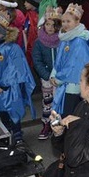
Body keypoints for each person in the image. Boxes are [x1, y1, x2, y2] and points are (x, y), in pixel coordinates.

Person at [0, 5, 36, 145]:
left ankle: (17, 136)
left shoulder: (12, 48)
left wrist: (3, 87)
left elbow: (16, 70)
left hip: (9, 89)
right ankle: (2, 137)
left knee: (11, 113)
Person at [51, 3, 89, 116]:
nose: (65, 24)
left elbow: (74, 65)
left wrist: (59, 78)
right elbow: (59, 59)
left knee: (69, 115)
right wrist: (53, 74)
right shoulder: (66, 38)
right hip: (64, 83)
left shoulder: (78, 42)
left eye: (68, 21)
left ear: (77, 22)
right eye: (63, 21)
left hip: (73, 84)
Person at [33, 8, 62, 141]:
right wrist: (46, 75)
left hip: (60, 78)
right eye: (47, 24)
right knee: (48, 101)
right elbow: (37, 61)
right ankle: (46, 123)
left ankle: (58, 124)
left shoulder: (62, 40)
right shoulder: (39, 42)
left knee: (59, 101)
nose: (50, 28)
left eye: (54, 25)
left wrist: (61, 74)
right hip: (47, 79)